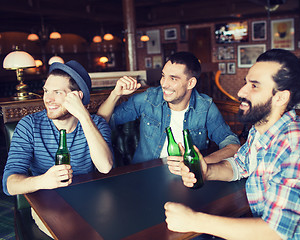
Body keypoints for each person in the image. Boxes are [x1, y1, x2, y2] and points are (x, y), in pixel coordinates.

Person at [164, 49, 300, 239]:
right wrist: (207, 171)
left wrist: (194, 221)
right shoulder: (261, 130)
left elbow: (274, 232)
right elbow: (239, 165)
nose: (241, 92)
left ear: (280, 97)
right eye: (246, 82)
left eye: (254, 86)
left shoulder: (297, 147)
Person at [97, 52, 240, 172]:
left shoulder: (205, 107)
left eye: (173, 78)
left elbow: (232, 145)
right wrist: (115, 94)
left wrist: (199, 163)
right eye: (163, 75)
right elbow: (101, 120)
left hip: (186, 176)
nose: (164, 84)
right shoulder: (149, 98)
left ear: (191, 83)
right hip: (144, 175)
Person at [2, 60, 113, 196]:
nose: (48, 99)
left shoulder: (96, 124)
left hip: (88, 198)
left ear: (77, 96)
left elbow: (105, 167)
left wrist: (84, 117)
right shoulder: (29, 126)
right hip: (47, 204)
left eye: (57, 92)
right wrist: (43, 181)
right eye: (46, 91)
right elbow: (9, 185)